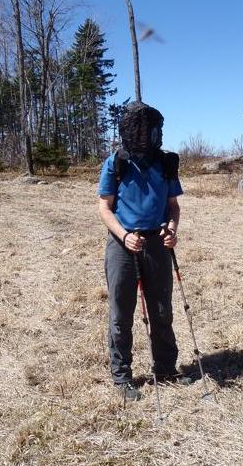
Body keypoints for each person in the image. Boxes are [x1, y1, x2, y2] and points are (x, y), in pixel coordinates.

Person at [98, 101, 187, 401]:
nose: (144, 135)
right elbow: (104, 208)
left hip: (157, 244)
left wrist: (171, 230)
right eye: (137, 129)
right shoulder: (115, 163)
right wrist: (124, 236)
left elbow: (173, 207)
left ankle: (165, 369)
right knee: (121, 313)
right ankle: (122, 377)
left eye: (148, 130)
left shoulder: (166, 164)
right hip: (123, 245)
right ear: (127, 131)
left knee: (161, 310)